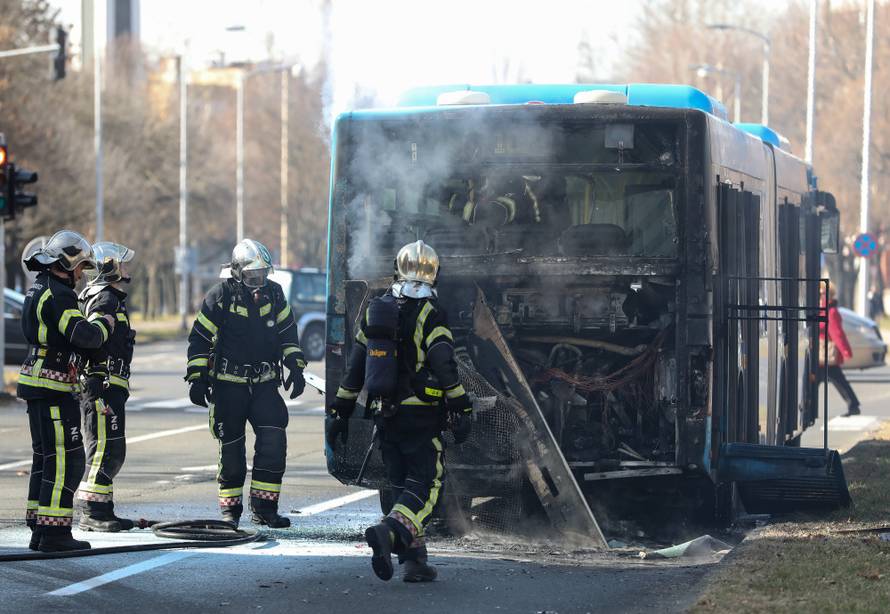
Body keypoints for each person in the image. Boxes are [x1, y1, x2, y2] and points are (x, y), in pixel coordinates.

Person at [327, 240, 472, 583]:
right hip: (421, 417)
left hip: (386, 417)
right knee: (427, 487)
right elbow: (444, 364)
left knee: (401, 485)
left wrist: (340, 412)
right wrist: (462, 405)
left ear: (397, 271)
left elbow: (354, 370)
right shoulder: (430, 313)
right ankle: (389, 532)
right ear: (435, 275)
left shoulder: (376, 311)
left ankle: (415, 562)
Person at [186, 239, 306, 528]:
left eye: (263, 274)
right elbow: (200, 338)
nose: (259, 281)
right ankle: (231, 511)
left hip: (265, 384)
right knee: (232, 452)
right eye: (253, 276)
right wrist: (197, 377)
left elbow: (288, 331)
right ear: (238, 272)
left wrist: (295, 366)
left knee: (274, 443)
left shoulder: (275, 294)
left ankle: (265, 508)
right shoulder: (220, 296)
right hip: (229, 386)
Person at [18, 230, 116, 552]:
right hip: (53, 388)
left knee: (46, 458)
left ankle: (40, 529)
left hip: (38, 383)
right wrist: (104, 324)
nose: (82, 274)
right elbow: (84, 335)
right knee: (67, 459)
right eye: (81, 267)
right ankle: (55, 534)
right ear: (67, 264)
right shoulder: (59, 295)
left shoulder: (39, 287)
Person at [75, 242, 137, 532]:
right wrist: (98, 381)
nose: (125, 269)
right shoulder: (104, 300)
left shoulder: (106, 297)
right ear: (108, 269)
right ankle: (92, 512)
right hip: (102, 387)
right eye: (121, 264)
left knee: (110, 448)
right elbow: (93, 339)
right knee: (104, 449)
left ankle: (103, 508)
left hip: (110, 385)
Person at [820, 285, 860, 417]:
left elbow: (837, 333)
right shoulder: (823, 309)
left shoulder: (830, 311)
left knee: (837, 380)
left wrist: (845, 351)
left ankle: (853, 405)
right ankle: (853, 405)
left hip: (825, 353)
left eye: (822, 293)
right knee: (837, 380)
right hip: (822, 354)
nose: (820, 296)